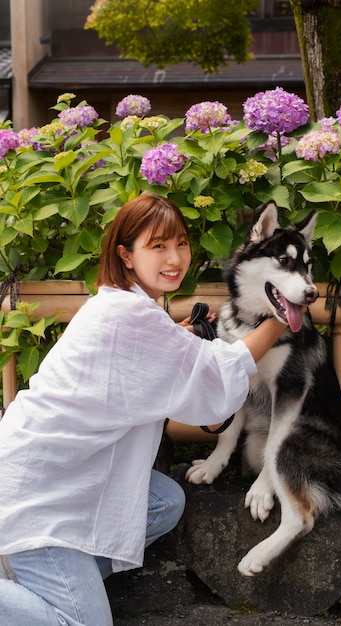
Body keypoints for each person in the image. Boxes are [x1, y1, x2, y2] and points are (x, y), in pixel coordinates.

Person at [0, 193, 288, 626]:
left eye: (181, 244)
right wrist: (284, 316)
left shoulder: (118, 305)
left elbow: (162, 360)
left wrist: (180, 334)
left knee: (163, 502)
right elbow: (218, 372)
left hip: (62, 474)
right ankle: (39, 582)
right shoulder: (129, 315)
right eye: (158, 247)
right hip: (40, 497)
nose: (175, 258)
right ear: (126, 254)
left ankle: (43, 584)